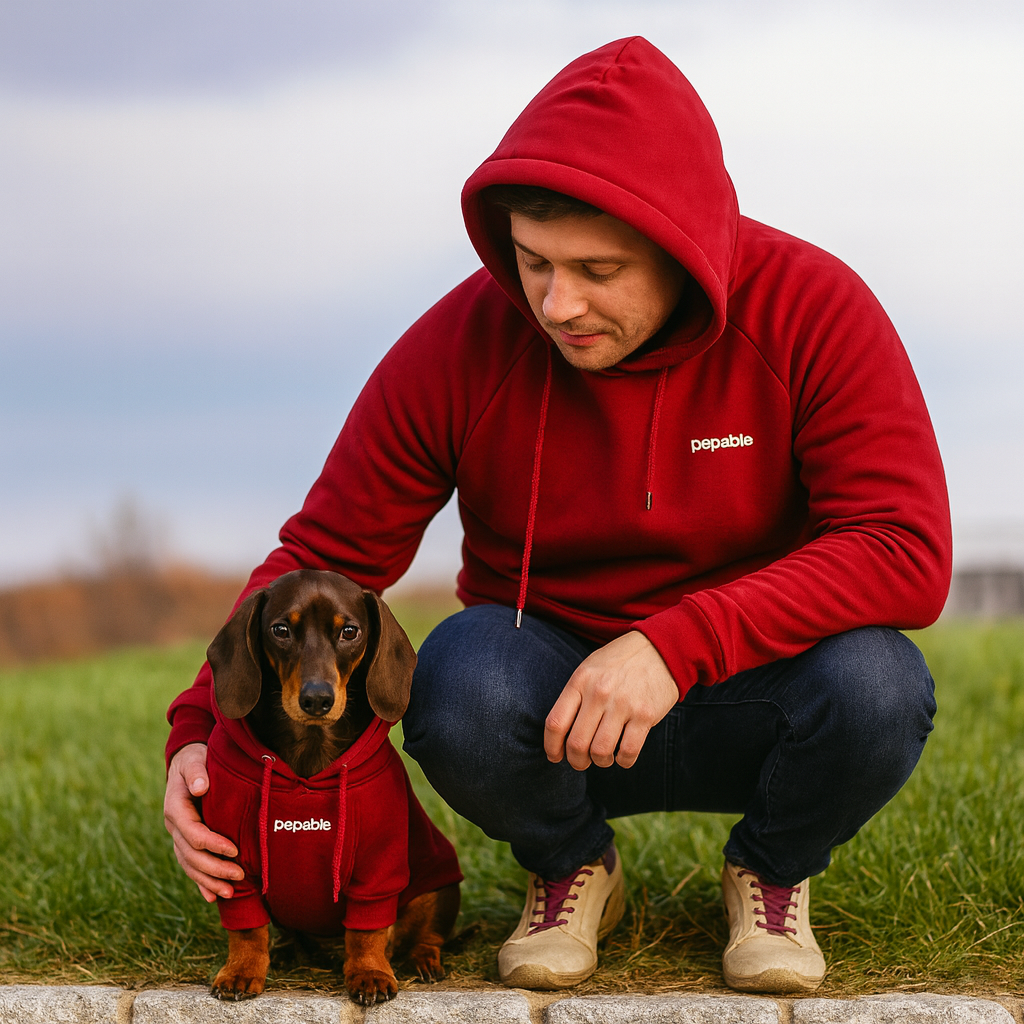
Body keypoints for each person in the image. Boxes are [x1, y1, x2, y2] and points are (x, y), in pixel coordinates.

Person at [164, 37, 950, 994]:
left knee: (881, 684)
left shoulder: (815, 309)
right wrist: (197, 732)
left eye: (597, 269)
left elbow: (904, 549)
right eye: (533, 261)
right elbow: (323, 554)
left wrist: (675, 643)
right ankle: (571, 866)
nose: (556, 303)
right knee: (454, 678)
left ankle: (773, 872)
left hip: (760, 687)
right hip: (552, 705)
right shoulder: (464, 341)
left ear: (686, 248)